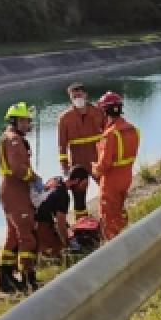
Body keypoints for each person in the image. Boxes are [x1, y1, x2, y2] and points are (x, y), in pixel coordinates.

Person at [0, 102, 41, 293]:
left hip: (11, 191)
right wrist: (33, 178)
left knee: (13, 236)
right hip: (16, 191)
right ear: (14, 121)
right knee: (26, 237)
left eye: (28, 120)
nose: (27, 124)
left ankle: (5, 278)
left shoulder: (11, 137)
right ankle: (28, 277)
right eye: (23, 120)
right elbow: (17, 168)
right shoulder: (14, 140)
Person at [94, 91, 140, 241]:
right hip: (126, 177)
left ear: (105, 111)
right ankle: (124, 238)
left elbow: (104, 164)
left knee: (108, 216)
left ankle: (113, 247)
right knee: (119, 210)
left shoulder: (110, 135)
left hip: (111, 181)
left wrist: (95, 169)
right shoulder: (133, 129)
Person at [56, 82, 106, 219]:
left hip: (98, 162)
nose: (77, 98)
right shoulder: (64, 118)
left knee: (107, 191)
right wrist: (65, 170)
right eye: (74, 96)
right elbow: (61, 146)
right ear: (70, 98)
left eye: (79, 94)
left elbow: (109, 136)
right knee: (79, 200)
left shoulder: (98, 112)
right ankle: (82, 227)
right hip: (77, 165)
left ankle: (110, 220)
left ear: (85, 94)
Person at [34, 166, 92, 257]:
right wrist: (67, 244)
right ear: (76, 181)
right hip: (39, 225)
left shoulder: (56, 180)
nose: (83, 189)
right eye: (84, 185)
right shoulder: (63, 195)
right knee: (59, 248)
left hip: (32, 218)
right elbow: (60, 224)